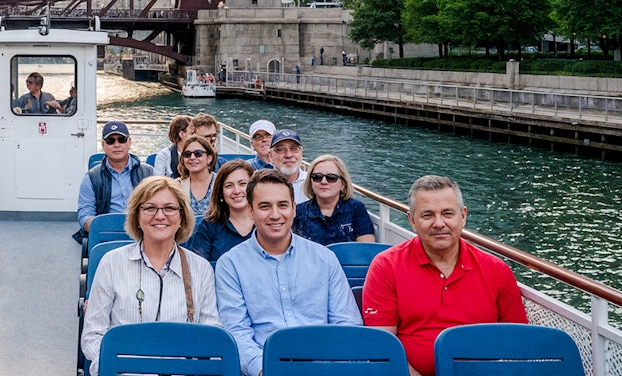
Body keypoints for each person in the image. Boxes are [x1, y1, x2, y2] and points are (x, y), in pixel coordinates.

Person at [361, 175, 527, 376]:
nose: (439, 223)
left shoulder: (497, 271)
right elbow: (384, 347)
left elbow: (517, 344)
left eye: (448, 213)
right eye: (427, 215)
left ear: (463, 216)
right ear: (412, 221)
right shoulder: (386, 267)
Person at [215, 169, 361, 376]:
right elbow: (237, 333)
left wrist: (331, 365)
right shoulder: (230, 265)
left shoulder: (324, 259)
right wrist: (264, 370)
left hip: (324, 367)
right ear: (250, 211)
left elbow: (346, 323)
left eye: (282, 205)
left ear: (293, 208)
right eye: (264, 206)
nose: (275, 215)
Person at [80, 177, 220, 376]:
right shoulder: (111, 263)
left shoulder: (200, 269)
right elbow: (93, 335)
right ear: (137, 215)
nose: (160, 216)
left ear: (182, 217)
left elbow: (210, 336)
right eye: (150, 208)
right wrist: (115, 369)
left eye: (170, 208)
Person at [76, 121, 154, 240]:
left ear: (129, 142)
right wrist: (102, 228)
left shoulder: (149, 173)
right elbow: (85, 214)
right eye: (110, 141)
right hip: (108, 234)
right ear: (103, 145)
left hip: (144, 233)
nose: (116, 145)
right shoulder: (91, 178)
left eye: (121, 139)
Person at [293, 154, 376, 245]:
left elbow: (366, 248)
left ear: (343, 184)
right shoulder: (298, 212)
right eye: (317, 177)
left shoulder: (356, 209)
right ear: (310, 181)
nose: (323, 182)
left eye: (331, 178)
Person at [184, 159, 255, 265]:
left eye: (242, 184)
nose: (236, 191)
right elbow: (198, 268)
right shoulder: (208, 226)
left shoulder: (267, 222)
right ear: (221, 192)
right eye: (229, 186)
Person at [176, 135, 216, 218]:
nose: (192, 157)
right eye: (187, 154)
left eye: (198, 154)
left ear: (209, 158)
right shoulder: (176, 186)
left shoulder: (221, 183)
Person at [269, 129, 309, 204]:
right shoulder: (261, 185)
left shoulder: (313, 183)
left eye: (294, 149)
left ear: (301, 153)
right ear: (270, 155)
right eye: (280, 149)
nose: (289, 155)